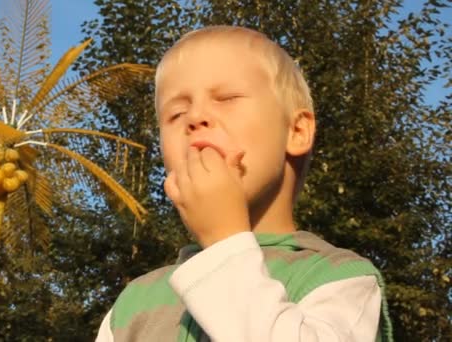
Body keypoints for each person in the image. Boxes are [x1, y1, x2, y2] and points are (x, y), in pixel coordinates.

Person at [96, 26, 393, 341]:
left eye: (226, 98)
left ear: (296, 131)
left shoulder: (339, 279)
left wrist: (224, 241)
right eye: (176, 113)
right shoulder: (131, 306)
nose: (195, 116)